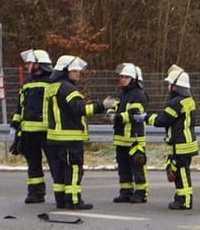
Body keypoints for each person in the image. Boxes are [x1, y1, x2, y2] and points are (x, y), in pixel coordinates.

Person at [45, 55, 110, 211]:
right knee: (73, 169)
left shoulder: (52, 87)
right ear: (65, 71)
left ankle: (61, 200)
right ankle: (74, 200)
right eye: (75, 71)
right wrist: (103, 105)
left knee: (59, 171)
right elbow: (80, 109)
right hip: (70, 138)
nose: (78, 74)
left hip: (54, 138)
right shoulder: (68, 89)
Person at [148, 65, 199, 210]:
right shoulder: (189, 100)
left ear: (176, 86)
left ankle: (185, 200)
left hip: (180, 144)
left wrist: (146, 118)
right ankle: (181, 198)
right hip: (187, 142)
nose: (168, 87)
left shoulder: (176, 102)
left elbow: (162, 120)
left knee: (181, 172)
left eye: (170, 84)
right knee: (181, 171)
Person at [10, 49, 57, 203]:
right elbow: (20, 106)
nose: (27, 66)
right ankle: (35, 194)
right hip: (28, 132)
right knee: (33, 165)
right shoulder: (27, 82)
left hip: (47, 131)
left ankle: (61, 195)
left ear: (38, 64)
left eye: (30, 63)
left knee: (55, 164)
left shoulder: (52, 81)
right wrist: (15, 125)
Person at [110, 64, 149, 203]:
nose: (122, 79)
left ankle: (140, 192)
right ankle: (125, 192)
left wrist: (118, 117)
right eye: (121, 77)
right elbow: (113, 108)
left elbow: (135, 114)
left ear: (133, 79)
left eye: (126, 77)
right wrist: (111, 113)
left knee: (137, 166)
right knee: (123, 166)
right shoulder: (121, 94)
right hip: (120, 139)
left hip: (134, 138)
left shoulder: (139, 95)